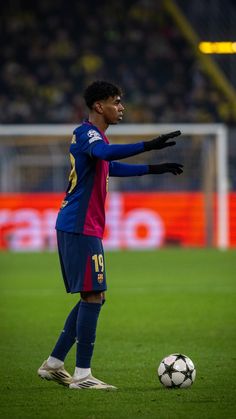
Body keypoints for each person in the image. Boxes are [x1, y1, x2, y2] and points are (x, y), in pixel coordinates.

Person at [37, 80, 183, 390]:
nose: (121, 107)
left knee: (93, 296)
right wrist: (148, 144)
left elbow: (109, 166)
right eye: (116, 101)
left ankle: (53, 364)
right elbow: (104, 153)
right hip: (79, 225)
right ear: (98, 106)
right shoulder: (88, 133)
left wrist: (154, 169)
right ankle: (83, 375)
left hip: (82, 226)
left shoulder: (95, 138)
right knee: (95, 295)